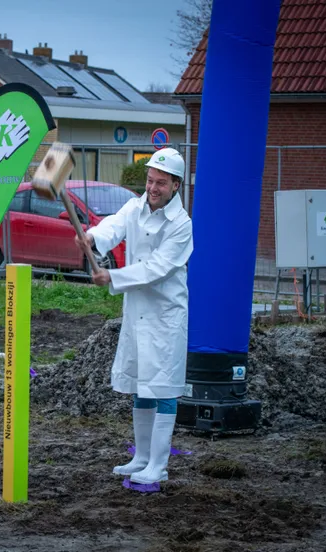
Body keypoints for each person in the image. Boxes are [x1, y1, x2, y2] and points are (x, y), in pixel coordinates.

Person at [74, 148, 193, 484]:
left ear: (175, 185)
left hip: (165, 317)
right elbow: (114, 225)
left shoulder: (182, 225)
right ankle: (141, 457)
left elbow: (157, 269)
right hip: (138, 312)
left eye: (160, 183)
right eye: (150, 180)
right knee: (142, 385)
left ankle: (159, 464)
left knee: (164, 387)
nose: (152, 188)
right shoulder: (135, 207)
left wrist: (113, 277)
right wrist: (92, 237)